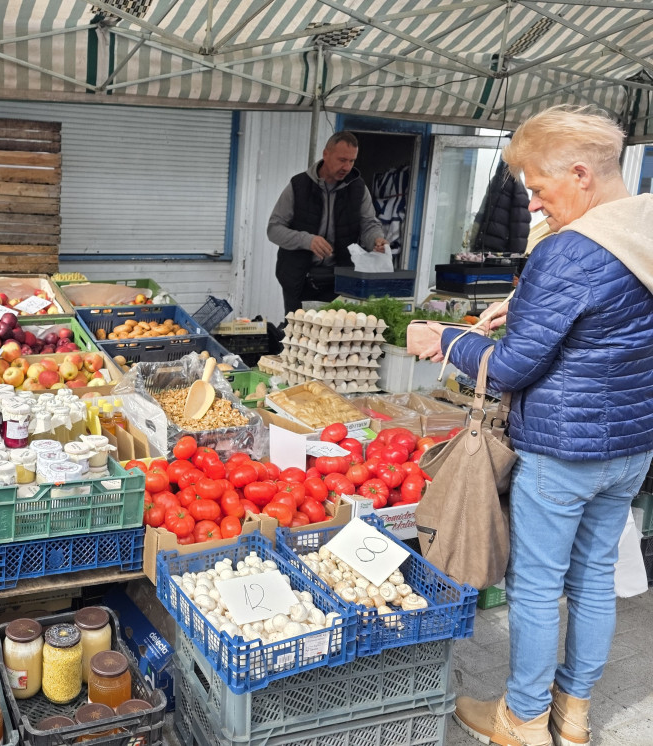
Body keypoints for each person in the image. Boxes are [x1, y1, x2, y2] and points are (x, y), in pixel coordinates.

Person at [414, 105, 653, 746]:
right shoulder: (643, 228)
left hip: (563, 447)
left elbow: (515, 366)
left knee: (539, 585)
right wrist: (523, 302)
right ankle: (572, 711)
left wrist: (444, 337)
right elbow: (610, 312)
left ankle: (521, 718)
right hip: (630, 444)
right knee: (595, 576)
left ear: (579, 173)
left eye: (540, 191)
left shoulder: (573, 250)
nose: (537, 208)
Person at [267, 131, 388, 313]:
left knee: (336, 335)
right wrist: (307, 240)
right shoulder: (298, 185)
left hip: (340, 280)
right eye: (342, 160)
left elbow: (369, 224)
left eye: (352, 161)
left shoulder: (358, 188)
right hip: (298, 279)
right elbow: (274, 229)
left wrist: (376, 240)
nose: (347, 167)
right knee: (297, 334)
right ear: (326, 154)